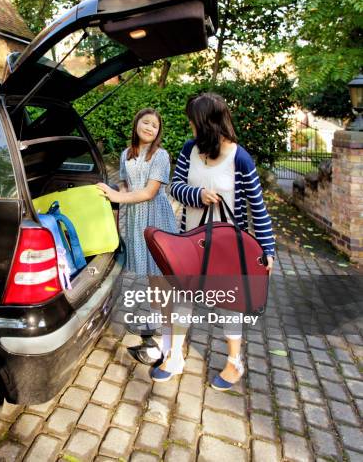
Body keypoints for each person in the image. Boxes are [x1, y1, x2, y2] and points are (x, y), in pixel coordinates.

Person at [151, 92, 275, 391]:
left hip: (227, 246)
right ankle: (175, 356)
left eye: (193, 121)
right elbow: (176, 188)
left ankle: (234, 363)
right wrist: (199, 195)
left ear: (206, 123)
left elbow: (257, 208)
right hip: (190, 240)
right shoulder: (189, 149)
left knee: (228, 304)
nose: (190, 126)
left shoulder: (240, 158)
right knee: (183, 297)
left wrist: (267, 249)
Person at [96, 108, 177, 365]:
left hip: (156, 219)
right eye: (146, 122)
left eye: (155, 125)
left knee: (160, 278)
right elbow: (123, 184)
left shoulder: (161, 155)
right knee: (151, 276)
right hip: (135, 220)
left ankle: (168, 340)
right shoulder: (126, 154)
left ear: (158, 132)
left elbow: (149, 192)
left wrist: (118, 197)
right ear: (137, 124)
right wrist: (118, 198)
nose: (150, 127)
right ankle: (154, 322)